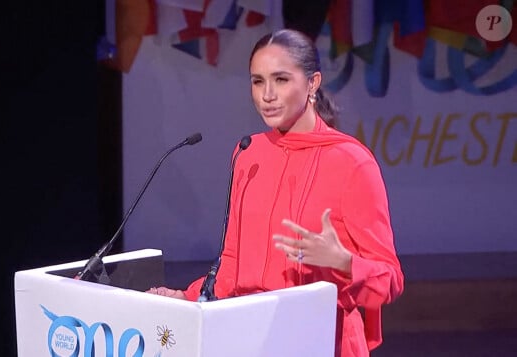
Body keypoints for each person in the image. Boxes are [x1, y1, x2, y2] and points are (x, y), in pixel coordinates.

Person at [147, 28, 404, 356]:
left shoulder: (352, 163)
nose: (267, 95)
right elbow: (233, 261)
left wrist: (344, 262)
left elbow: (390, 279)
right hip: (252, 337)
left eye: (281, 80)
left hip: (325, 340)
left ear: (312, 84)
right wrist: (188, 296)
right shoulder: (248, 154)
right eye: (257, 81)